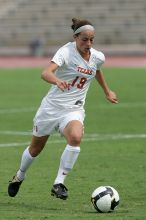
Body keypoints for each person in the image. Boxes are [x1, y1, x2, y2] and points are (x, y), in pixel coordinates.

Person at [8, 18, 118, 200]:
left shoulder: (98, 56)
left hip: (73, 110)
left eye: (92, 40)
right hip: (51, 109)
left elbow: (96, 69)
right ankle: (19, 175)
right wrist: (57, 80)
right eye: (84, 39)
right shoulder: (65, 52)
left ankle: (59, 183)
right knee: (35, 149)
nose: (88, 44)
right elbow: (45, 73)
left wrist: (107, 91)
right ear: (75, 37)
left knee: (75, 137)